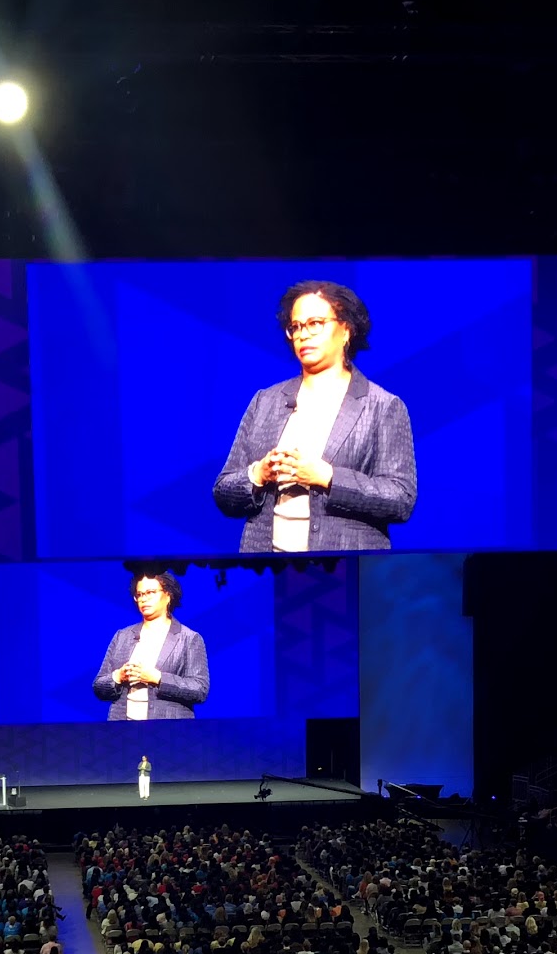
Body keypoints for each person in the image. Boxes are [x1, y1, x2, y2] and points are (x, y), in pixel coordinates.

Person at [212, 279, 418, 553]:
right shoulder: (265, 401)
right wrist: (259, 473)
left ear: (346, 330)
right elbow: (223, 491)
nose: (302, 334)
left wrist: (328, 477)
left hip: (342, 567)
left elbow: (401, 499)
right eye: (295, 327)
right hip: (266, 567)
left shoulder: (382, 406)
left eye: (315, 323)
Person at [91, 571, 211, 723]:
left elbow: (200, 689)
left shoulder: (189, 638)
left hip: (168, 732)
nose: (143, 599)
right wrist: (118, 676)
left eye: (150, 593)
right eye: (139, 594)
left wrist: (157, 678)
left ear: (168, 595)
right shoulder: (123, 636)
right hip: (122, 731)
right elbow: (99, 686)